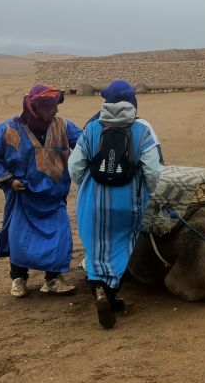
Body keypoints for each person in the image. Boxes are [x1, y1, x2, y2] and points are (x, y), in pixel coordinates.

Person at [68, 80, 161, 328]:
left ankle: (98, 288)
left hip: (93, 200)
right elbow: (152, 170)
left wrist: (87, 188)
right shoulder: (143, 128)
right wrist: (152, 195)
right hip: (128, 201)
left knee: (96, 245)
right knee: (120, 245)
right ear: (133, 101)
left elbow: (75, 166)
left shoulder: (92, 127)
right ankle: (109, 293)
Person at [0, 84, 82, 297]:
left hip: (54, 196)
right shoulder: (9, 129)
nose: (55, 111)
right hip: (22, 195)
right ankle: (19, 279)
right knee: (20, 239)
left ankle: (53, 280)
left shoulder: (63, 126)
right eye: (50, 107)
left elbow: (85, 143)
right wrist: (9, 181)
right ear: (36, 108)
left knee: (59, 236)